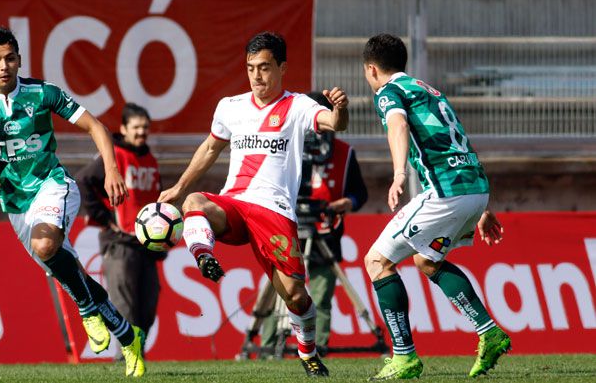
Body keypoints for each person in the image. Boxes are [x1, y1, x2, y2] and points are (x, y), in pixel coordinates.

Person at [0, 27, 145, 377]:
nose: (3, 65)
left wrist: (112, 170)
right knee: (68, 272)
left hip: (52, 185)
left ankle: (85, 311)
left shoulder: (42, 93)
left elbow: (96, 127)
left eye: (9, 58)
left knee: (46, 244)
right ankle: (128, 336)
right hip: (15, 204)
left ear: (19, 60)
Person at [158, 32, 349, 377]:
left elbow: (333, 124)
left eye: (264, 67)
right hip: (234, 205)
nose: (257, 76)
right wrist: (179, 185)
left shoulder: (299, 106)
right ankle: (204, 254)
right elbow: (210, 149)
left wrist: (341, 110)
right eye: (250, 68)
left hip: (274, 211)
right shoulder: (230, 107)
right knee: (194, 201)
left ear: (282, 67)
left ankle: (308, 353)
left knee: (295, 296)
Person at [361, 33, 509, 380]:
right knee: (426, 260)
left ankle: (404, 357)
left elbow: (396, 125)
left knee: (376, 261)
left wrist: (398, 174)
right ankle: (489, 332)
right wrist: (482, 207)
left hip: (446, 192)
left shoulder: (389, 92)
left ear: (371, 69)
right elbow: (455, 137)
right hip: (473, 187)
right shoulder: (428, 89)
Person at [260, 92, 368, 356]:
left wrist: (347, 203)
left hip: (326, 234)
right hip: (288, 230)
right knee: (282, 292)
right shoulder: (286, 146)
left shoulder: (344, 152)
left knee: (320, 297)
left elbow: (360, 193)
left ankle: (317, 346)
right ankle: (267, 346)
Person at [77, 103, 163, 354]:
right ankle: (126, 359)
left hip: (146, 244)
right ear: (124, 128)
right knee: (125, 306)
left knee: (148, 306)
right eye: (136, 127)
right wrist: (104, 218)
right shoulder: (113, 156)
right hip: (120, 241)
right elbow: (83, 181)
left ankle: (138, 356)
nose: (141, 132)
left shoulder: (149, 158)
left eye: (145, 127)